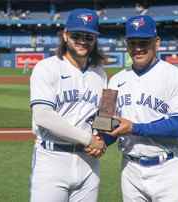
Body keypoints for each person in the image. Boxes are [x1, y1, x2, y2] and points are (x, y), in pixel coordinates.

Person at [108, 15, 178, 202]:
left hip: (169, 170)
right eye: (133, 42)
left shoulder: (177, 76)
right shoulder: (114, 80)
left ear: (157, 43)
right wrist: (95, 140)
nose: (138, 48)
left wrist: (134, 128)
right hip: (130, 169)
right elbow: (105, 123)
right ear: (126, 45)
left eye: (144, 42)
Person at [29, 9, 107, 202]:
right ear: (65, 35)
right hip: (52, 160)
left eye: (88, 36)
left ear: (95, 39)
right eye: (76, 35)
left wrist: (102, 140)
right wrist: (88, 139)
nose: (82, 40)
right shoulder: (47, 67)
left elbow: (103, 118)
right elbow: (43, 116)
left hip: (89, 164)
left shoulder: (100, 74)